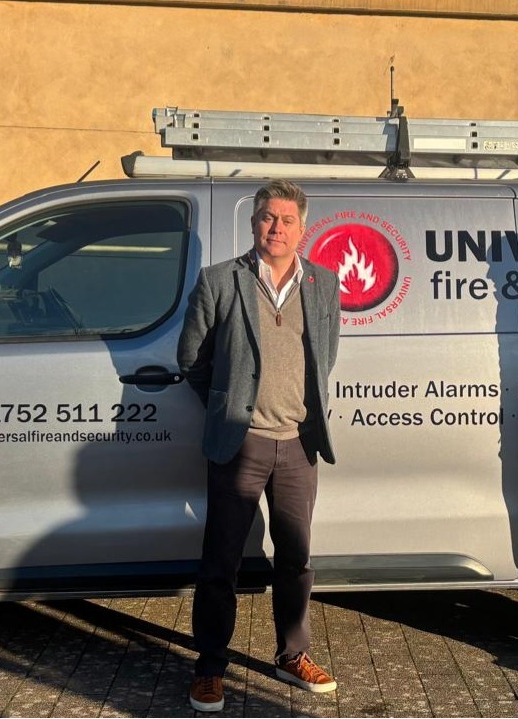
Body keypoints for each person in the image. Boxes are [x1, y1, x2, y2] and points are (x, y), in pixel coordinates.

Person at [178, 179, 341, 712]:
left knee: (295, 557)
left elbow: (325, 358)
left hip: (297, 445)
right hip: (240, 445)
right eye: (268, 218)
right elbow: (191, 360)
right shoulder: (219, 280)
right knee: (220, 560)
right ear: (253, 224)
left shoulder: (322, 283)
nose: (277, 227)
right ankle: (209, 666)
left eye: (287, 219)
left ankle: (292, 655)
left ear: (303, 227)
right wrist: (231, 411)